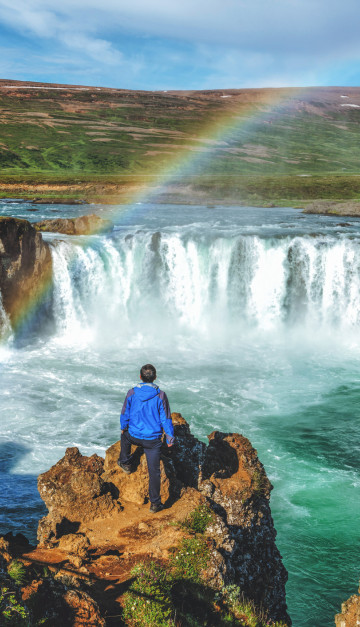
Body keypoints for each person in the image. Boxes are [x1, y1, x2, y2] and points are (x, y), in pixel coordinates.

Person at [119, 364, 174, 513]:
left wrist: (123, 427)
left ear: (140, 377)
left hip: (134, 436)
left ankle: (126, 463)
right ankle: (155, 504)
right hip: (153, 441)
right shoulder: (160, 395)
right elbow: (166, 419)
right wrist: (169, 439)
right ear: (155, 378)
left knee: (124, 436)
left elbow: (125, 414)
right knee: (154, 472)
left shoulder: (132, 393)